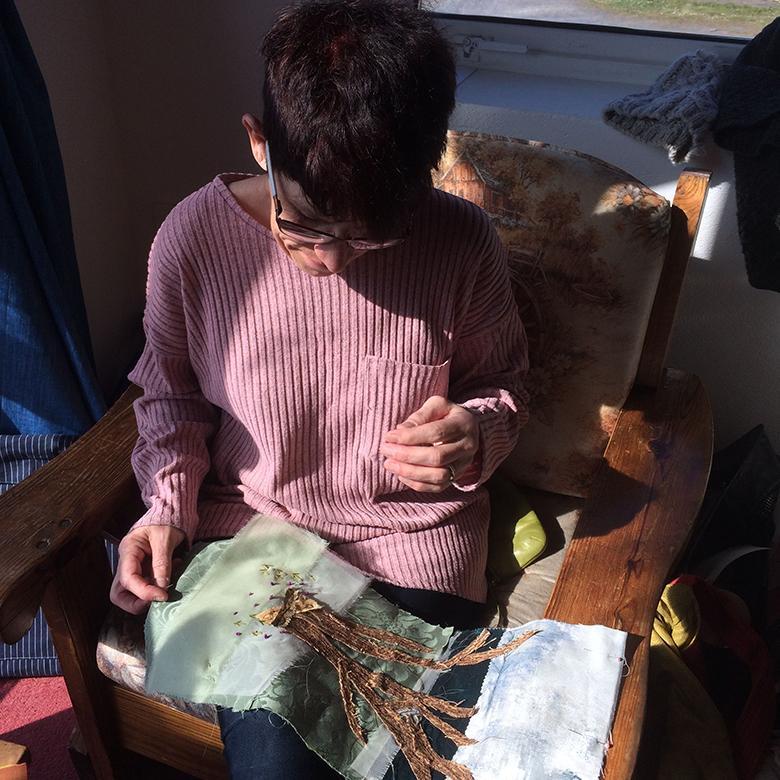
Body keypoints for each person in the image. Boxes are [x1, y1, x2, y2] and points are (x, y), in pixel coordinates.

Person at [109, 0, 529, 776]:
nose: (334, 262)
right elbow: (167, 394)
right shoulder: (192, 239)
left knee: (418, 760)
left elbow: (501, 386)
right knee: (278, 762)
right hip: (249, 544)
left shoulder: (461, 242)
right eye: (301, 223)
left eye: (373, 237)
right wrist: (166, 504)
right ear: (258, 143)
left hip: (414, 551)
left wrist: (475, 433)